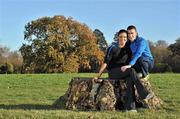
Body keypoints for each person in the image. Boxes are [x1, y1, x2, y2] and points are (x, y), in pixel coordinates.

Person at [94, 29, 153, 112]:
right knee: (131, 71)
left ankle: (130, 107)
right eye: (121, 37)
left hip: (124, 72)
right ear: (118, 37)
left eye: (125, 37)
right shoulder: (112, 47)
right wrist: (98, 76)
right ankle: (143, 93)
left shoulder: (128, 48)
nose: (123, 39)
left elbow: (133, 59)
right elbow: (106, 63)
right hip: (113, 72)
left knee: (130, 79)